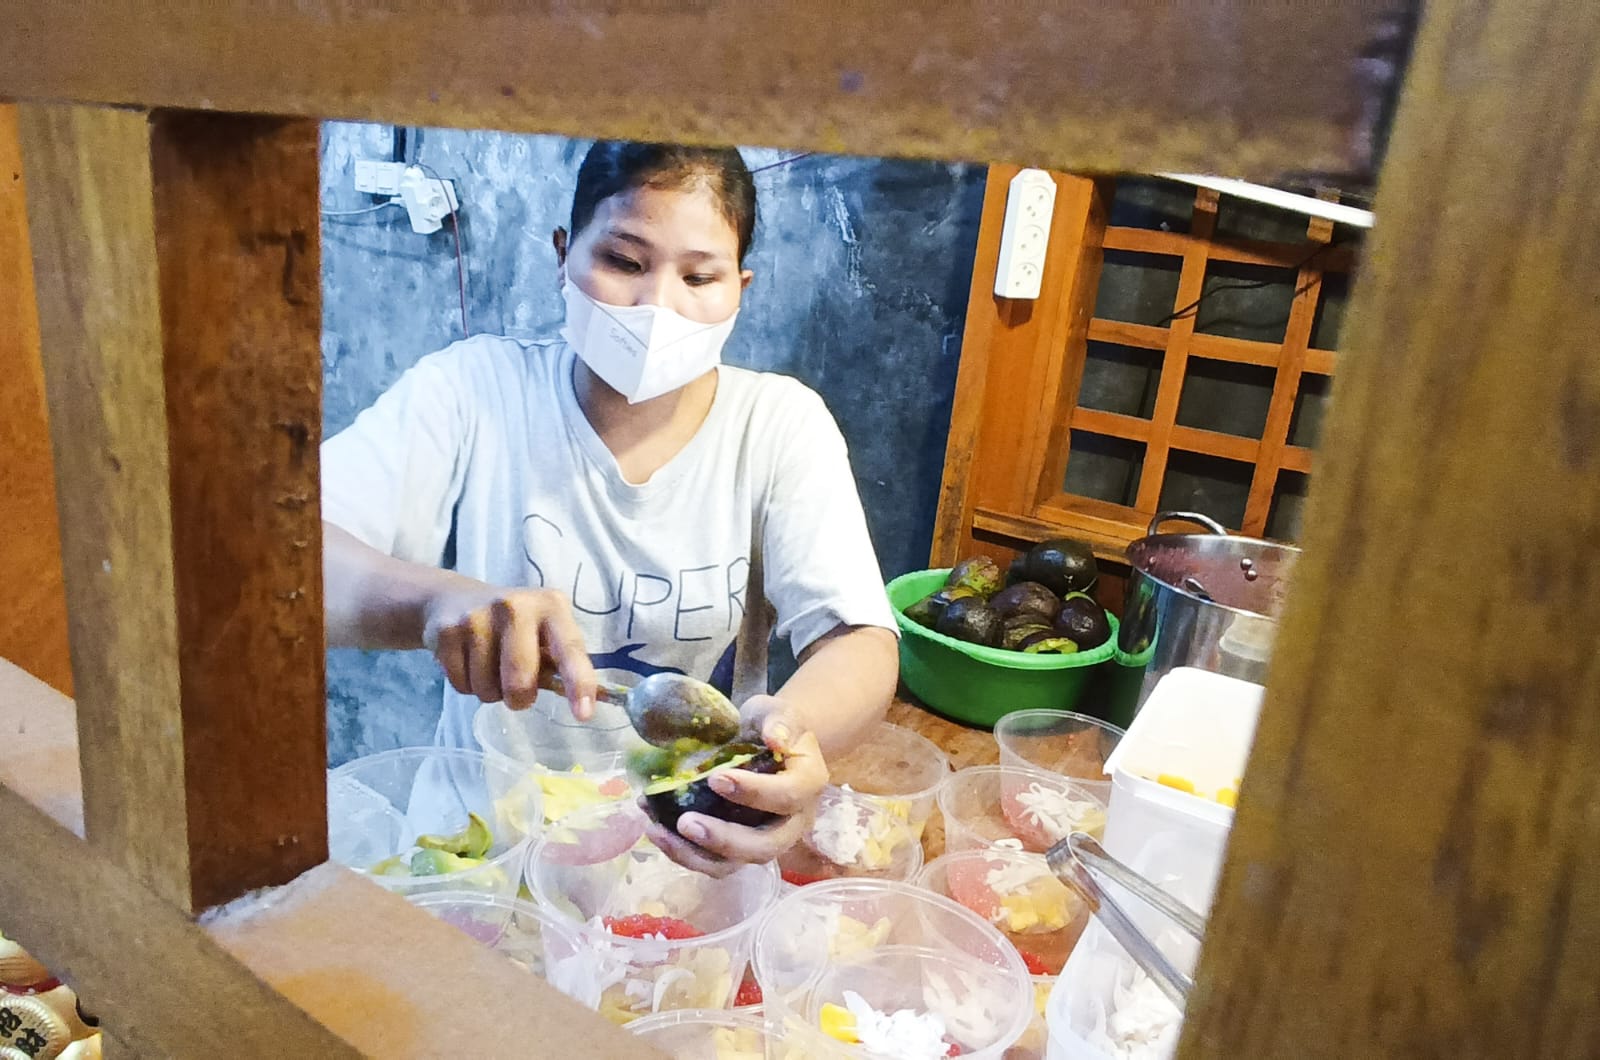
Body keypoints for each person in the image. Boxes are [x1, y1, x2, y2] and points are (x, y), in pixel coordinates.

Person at [320, 140, 900, 875]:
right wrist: (436, 602)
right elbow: (289, 562)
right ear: (564, 252)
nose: (658, 305)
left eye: (699, 276)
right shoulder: (472, 393)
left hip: (687, 859)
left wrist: (788, 733)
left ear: (741, 288)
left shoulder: (780, 425)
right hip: (481, 858)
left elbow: (860, 641)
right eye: (624, 262)